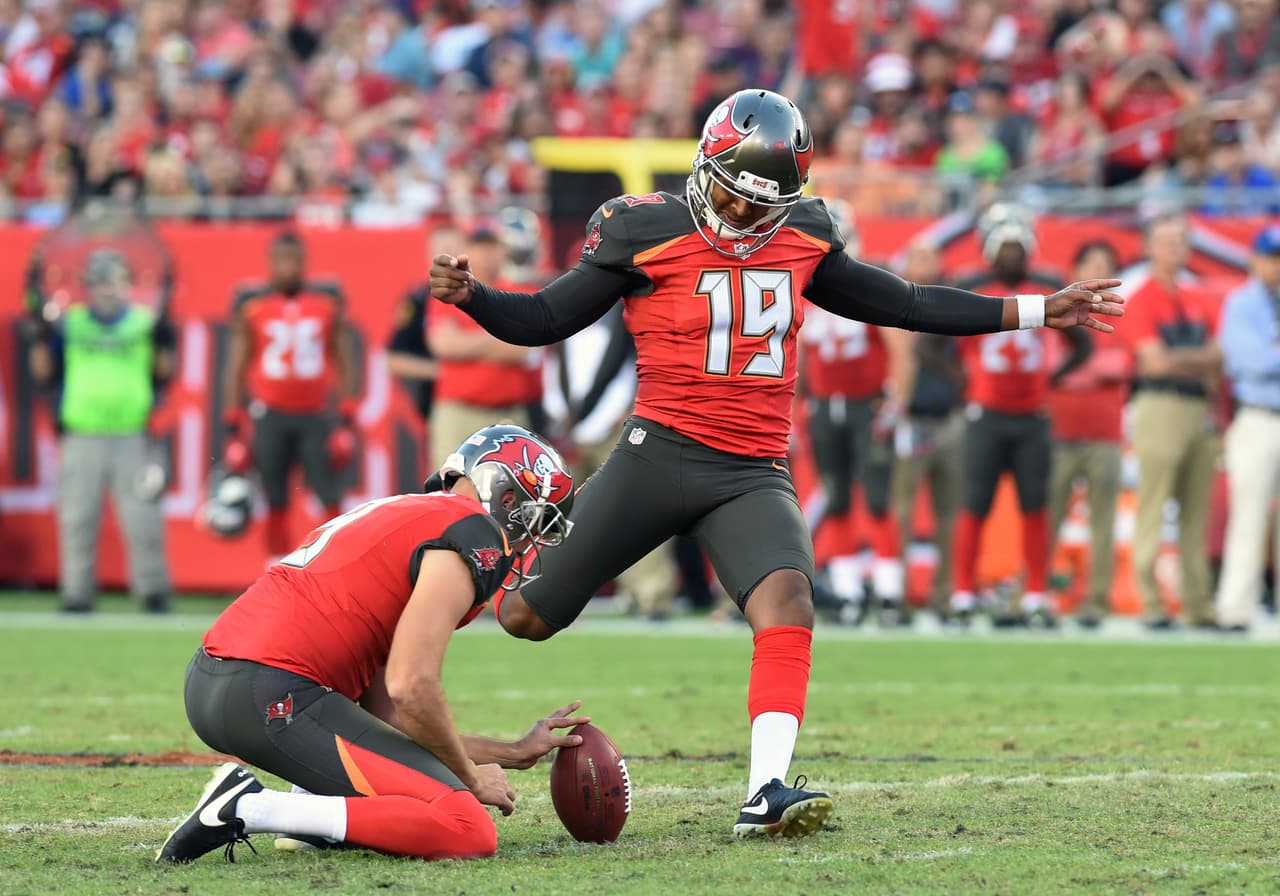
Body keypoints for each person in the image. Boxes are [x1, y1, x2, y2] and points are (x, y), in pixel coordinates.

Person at [428, 89, 1123, 838]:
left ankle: (766, 791)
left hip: (751, 469)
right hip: (656, 452)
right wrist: (475, 297)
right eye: (736, 197)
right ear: (706, 165)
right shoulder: (642, 228)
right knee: (524, 616)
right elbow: (545, 318)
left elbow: (908, 302)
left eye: (767, 205)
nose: (749, 218)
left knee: (789, 600)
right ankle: (404, 648)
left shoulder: (805, 234)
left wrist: (1033, 308)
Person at [156, 424, 584, 864]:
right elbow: (411, 685)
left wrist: (509, 752)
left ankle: (314, 813)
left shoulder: (415, 513)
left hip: (223, 685)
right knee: (466, 828)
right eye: (536, 520)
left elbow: (388, 716)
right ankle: (249, 807)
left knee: (427, 795)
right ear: (507, 498)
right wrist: (470, 780)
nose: (526, 541)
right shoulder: (474, 534)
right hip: (272, 690)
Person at [946, 213, 1091, 627]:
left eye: (1019, 248)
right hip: (985, 413)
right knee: (974, 504)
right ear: (991, 251)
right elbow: (930, 344)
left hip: (1031, 415)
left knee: (1035, 505)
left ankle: (1035, 594)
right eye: (1005, 248)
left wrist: (1054, 378)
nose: (1012, 256)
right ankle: (962, 593)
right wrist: (962, 379)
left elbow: (1082, 345)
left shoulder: (1045, 290)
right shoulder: (974, 289)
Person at [26, 248, 176, 614]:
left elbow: (163, 371)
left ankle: (153, 592)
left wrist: (164, 338)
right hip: (83, 435)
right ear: (89, 287)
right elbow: (44, 373)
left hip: (132, 435)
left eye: (115, 281)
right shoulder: (70, 323)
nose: (107, 289)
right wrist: (39, 337)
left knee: (144, 520)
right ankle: (77, 594)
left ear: (127, 286)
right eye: (101, 281)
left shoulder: (144, 322)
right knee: (77, 519)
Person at [801, 200, 908, 626]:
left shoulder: (866, 285)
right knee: (838, 496)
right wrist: (802, 403)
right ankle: (847, 592)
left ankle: (888, 592)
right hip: (827, 405)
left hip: (867, 404)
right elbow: (801, 358)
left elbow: (900, 348)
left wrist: (895, 400)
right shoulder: (803, 289)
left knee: (878, 497)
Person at [221, 231, 359, 557]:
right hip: (270, 413)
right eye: (281, 260)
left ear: (304, 262)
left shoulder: (326, 301)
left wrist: (346, 417)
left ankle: (336, 563)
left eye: (294, 260)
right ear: (270, 263)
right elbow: (236, 367)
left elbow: (344, 360)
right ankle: (275, 569)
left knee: (329, 494)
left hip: (314, 414)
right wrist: (233, 426)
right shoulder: (253, 305)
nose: (288, 268)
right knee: (274, 497)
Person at [1123, 211, 1222, 630]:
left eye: (1180, 240)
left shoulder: (1200, 298)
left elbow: (1220, 356)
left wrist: (1184, 363)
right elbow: (1153, 363)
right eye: (1166, 241)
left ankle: (1198, 605)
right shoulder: (1141, 297)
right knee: (1154, 502)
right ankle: (1151, 602)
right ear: (1150, 247)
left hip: (1198, 408)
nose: (1174, 248)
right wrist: (1197, 363)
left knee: (1196, 511)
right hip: (1160, 405)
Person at [1047, 240, 1132, 629]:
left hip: (1104, 433)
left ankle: (1096, 600)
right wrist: (1094, 367)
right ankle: (1033, 592)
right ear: (1075, 269)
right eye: (1091, 264)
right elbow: (1050, 363)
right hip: (1059, 430)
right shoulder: (1055, 307)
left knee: (1103, 520)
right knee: (1045, 517)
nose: (1099, 271)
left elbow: (1125, 363)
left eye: (1106, 265)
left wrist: (1077, 370)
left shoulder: (1122, 312)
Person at [426, 223, 542, 470]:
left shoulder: (521, 291)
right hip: (458, 409)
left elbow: (524, 349)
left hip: (507, 413)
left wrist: (468, 341)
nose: (487, 256)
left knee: (515, 490)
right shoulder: (451, 290)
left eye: (493, 248)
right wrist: (500, 338)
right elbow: (444, 345)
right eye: (480, 248)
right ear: (468, 251)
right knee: (449, 487)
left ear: (503, 251)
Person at [891, 240, 966, 616]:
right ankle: (900, 594)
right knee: (901, 511)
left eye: (932, 256)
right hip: (910, 418)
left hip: (949, 418)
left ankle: (944, 595)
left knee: (948, 513)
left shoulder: (951, 300)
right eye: (918, 256)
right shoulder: (890, 302)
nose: (926, 263)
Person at [1214, 224, 1280, 632]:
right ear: (1255, 259)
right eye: (1271, 257)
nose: (1276, 265)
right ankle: (1236, 609)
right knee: (1248, 514)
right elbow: (1248, 361)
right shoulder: (1241, 303)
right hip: (1258, 415)